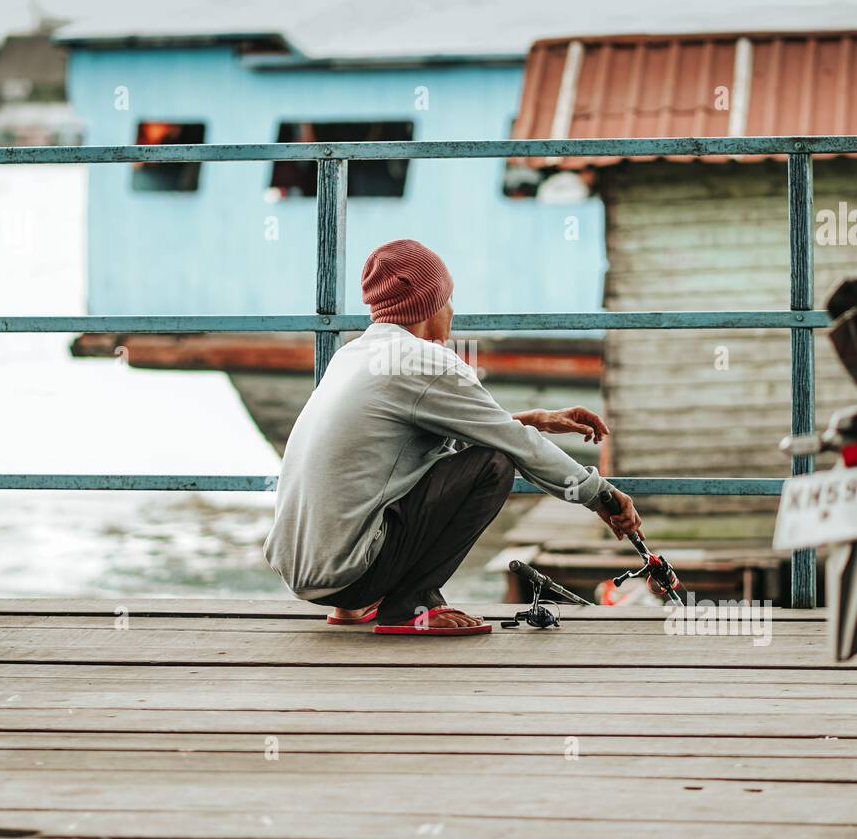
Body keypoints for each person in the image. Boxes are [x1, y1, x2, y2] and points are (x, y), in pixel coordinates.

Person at [264, 239, 641, 634]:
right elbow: (508, 445)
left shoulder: (353, 355)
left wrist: (537, 419)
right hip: (353, 573)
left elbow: (404, 443)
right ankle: (412, 605)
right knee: (494, 464)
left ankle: (356, 608)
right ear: (429, 306)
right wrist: (601, 495)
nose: (453, 311)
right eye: (448, 298)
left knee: (477, 452)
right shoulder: (423, 359)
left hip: (304, 574)